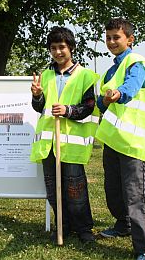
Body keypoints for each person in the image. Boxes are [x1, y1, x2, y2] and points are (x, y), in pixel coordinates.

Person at [95, 18, 145, 260]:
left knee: (136, 195)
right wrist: (104, 99)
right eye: (108, 37)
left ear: (130, 39)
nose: (111, 41)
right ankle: (123, 226)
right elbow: (102, 103)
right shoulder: (111, 71)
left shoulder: (137, 63)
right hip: (113, 141)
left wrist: (119, 93)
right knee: (113, 191)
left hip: (133, 144)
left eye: (116, 37)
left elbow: (131, 88)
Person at [30, 26, 99, 243]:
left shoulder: (86, 75)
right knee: (53, 189)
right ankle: (62, 226)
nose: (58, 52)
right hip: (48, 143)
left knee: (75, 189)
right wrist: (37, 96)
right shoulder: (46, 75)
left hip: (72, 144)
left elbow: (89, 106)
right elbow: (38, 107)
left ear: (71, 48)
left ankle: (84, 229)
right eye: (53, 48)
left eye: (62, 47)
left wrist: (68, 110)